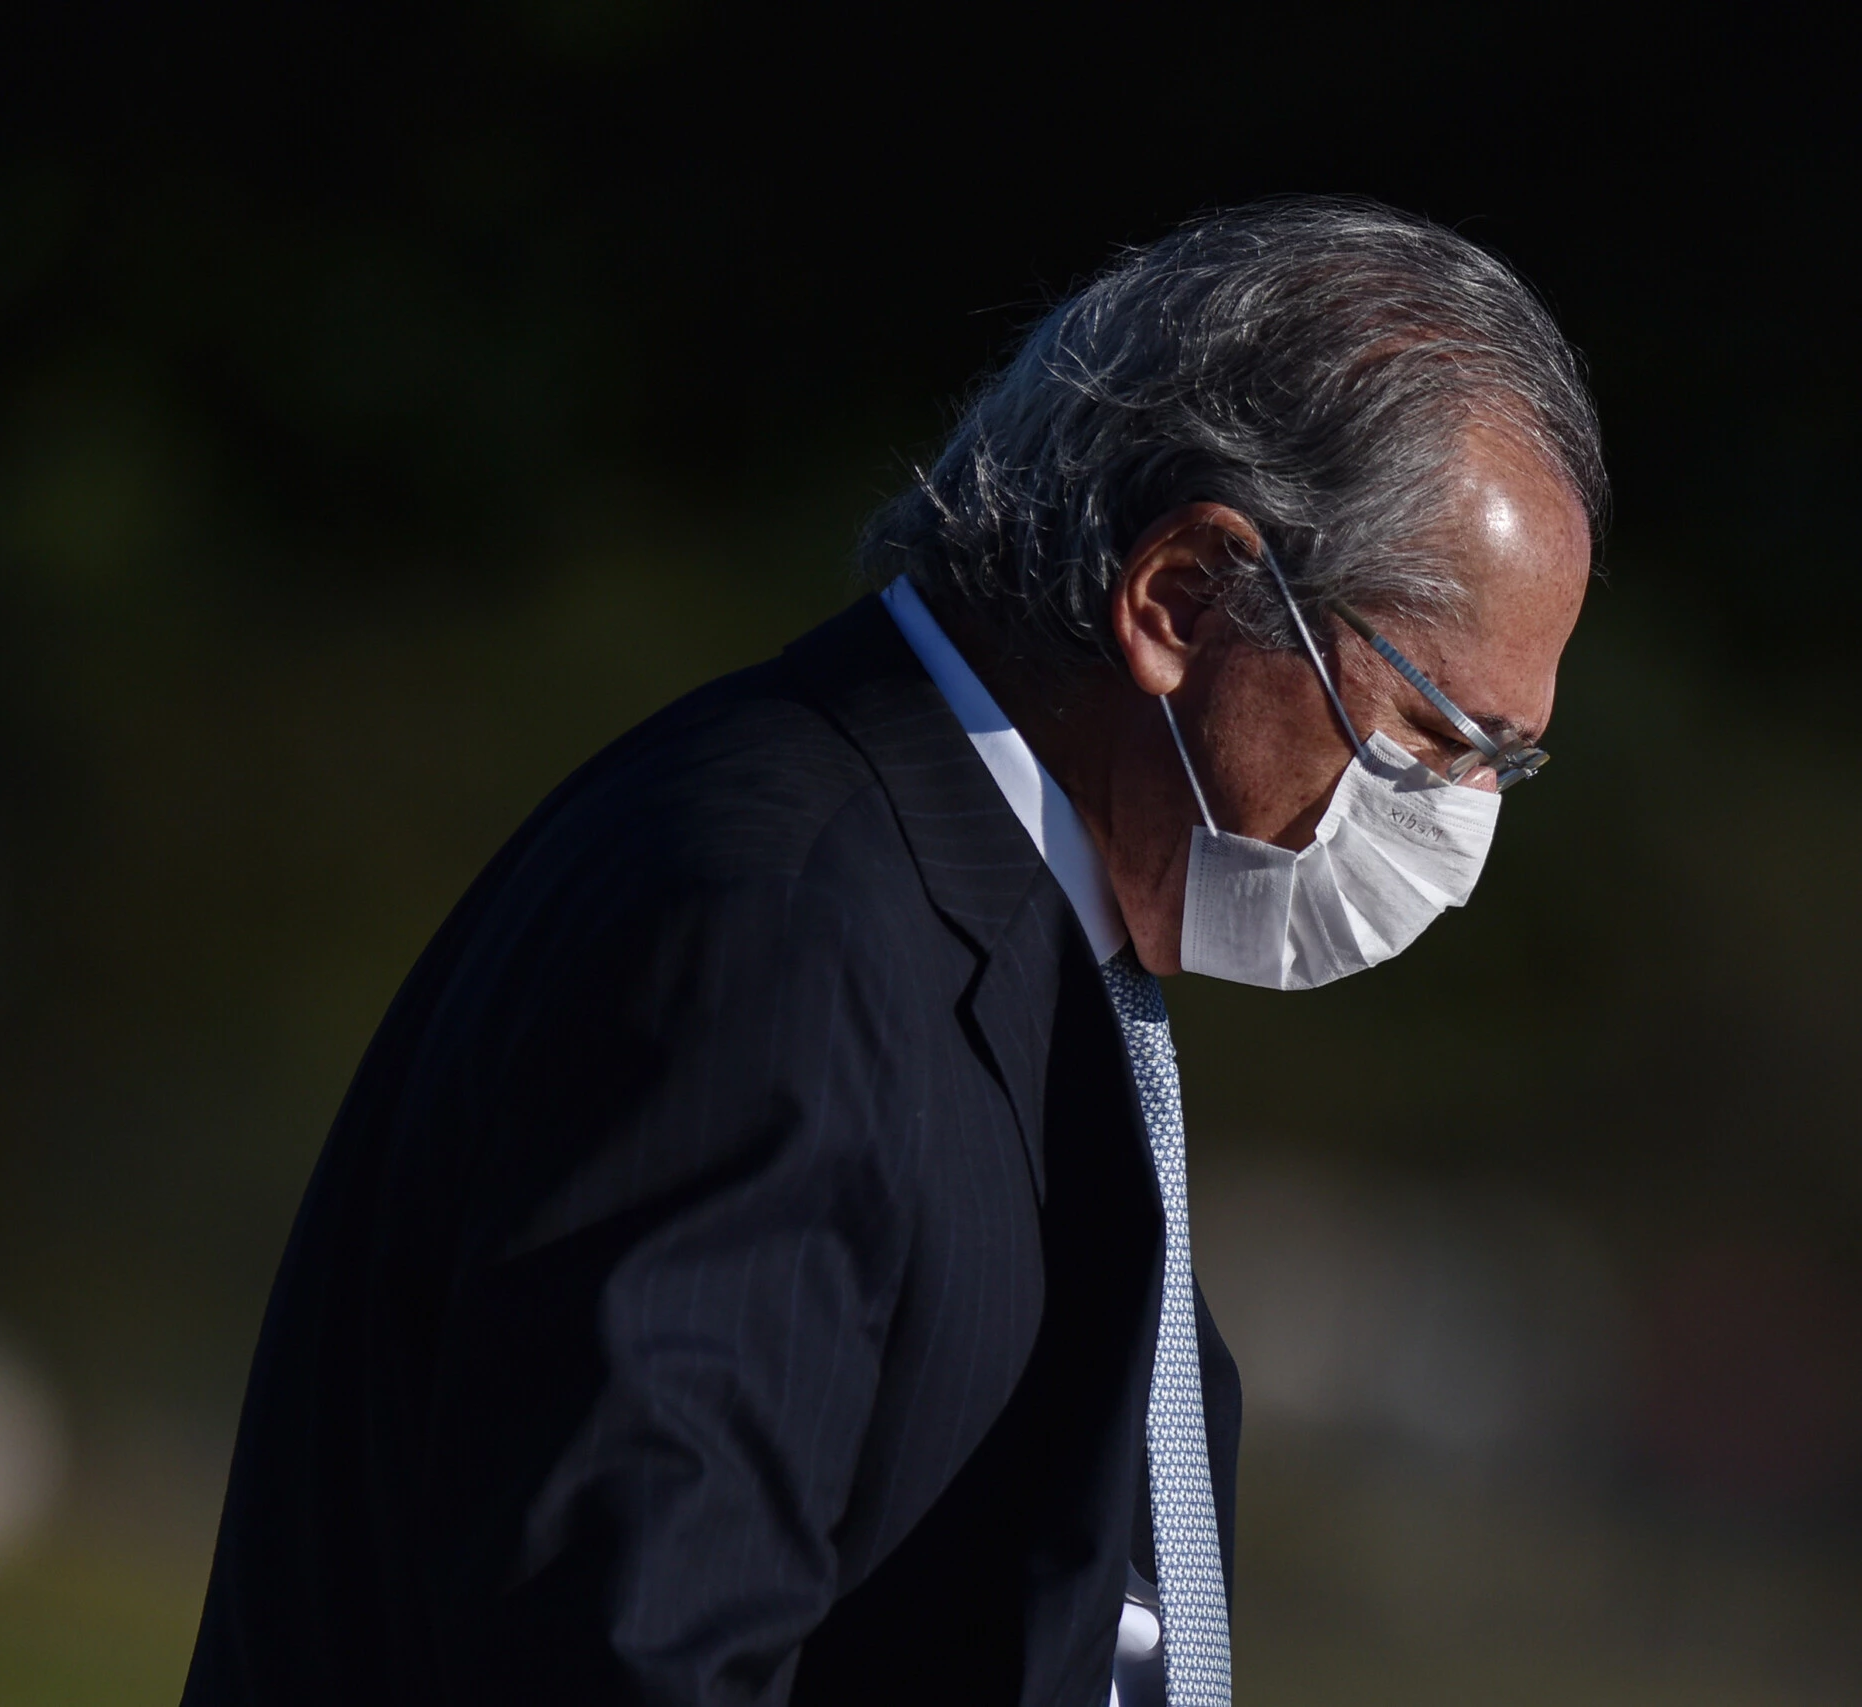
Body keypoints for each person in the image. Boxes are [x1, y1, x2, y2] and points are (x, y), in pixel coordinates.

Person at [182, 197, 1603, 1707]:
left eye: (1505, 768)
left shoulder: (1026, 945)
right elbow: (628, 1643)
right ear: (1181, 599)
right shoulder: (782, 920)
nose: (1452, 825)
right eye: (1438, 738)